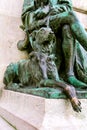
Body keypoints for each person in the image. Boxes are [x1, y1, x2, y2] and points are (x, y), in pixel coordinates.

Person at [17, 0, 87, 88]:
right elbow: (27, 15)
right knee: (71, 16)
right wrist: (41, 12)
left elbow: (67, 6)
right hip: (39, 23)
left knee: (67, 28)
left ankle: (70, 75)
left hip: (56, 20)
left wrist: (51, 9)